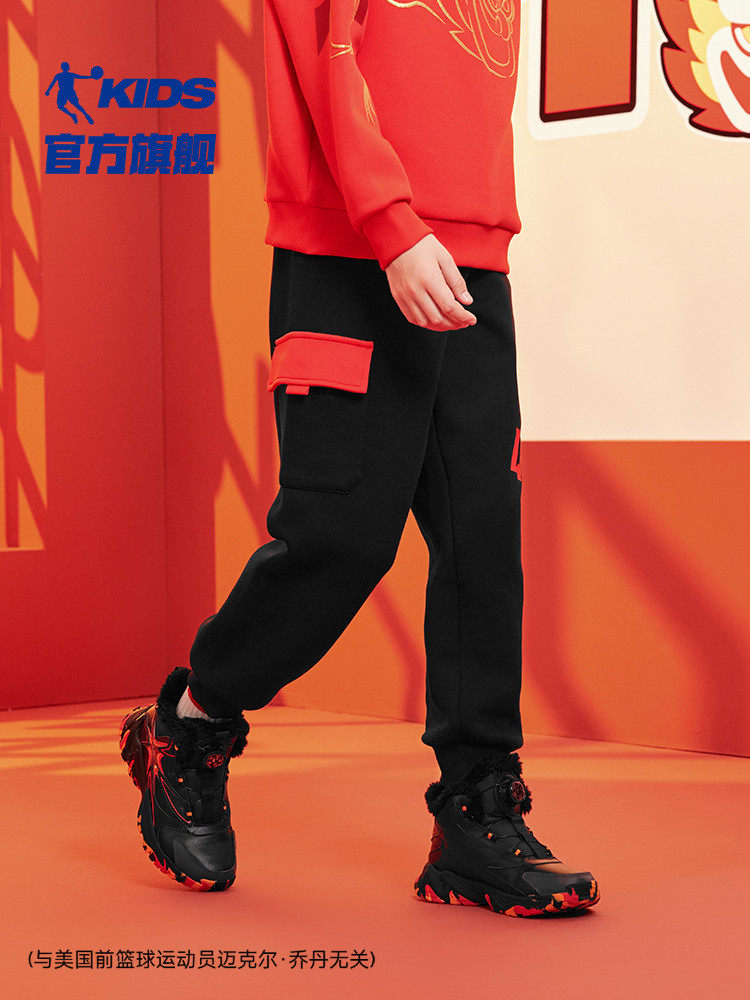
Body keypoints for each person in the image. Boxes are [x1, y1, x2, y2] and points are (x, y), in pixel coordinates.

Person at [119, 0, 600, 915]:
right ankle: (190, 723)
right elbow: (325, 56)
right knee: (340, 535)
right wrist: (392, 223)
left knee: (481, 543)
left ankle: (476, 811)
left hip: (470, 256)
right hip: (348, 251)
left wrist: (466, 231)